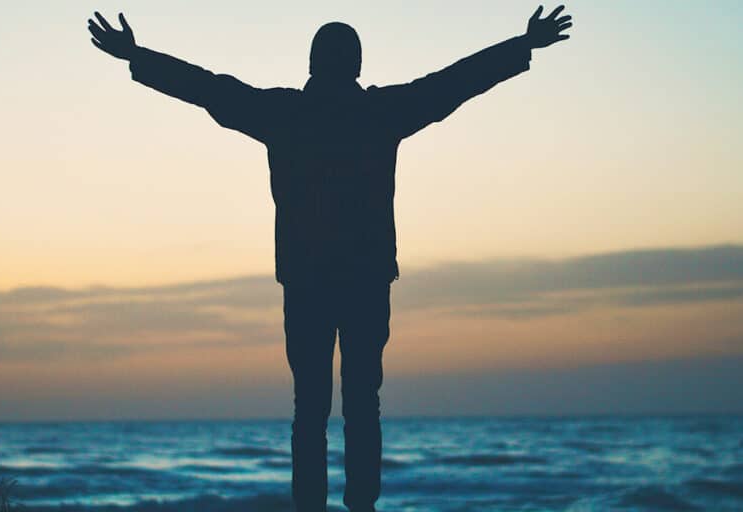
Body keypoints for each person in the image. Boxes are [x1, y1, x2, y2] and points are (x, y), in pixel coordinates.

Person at [87, 6, 571, 511]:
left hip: (309, 281)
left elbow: (208, 88)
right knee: (362, 405)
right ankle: (361, 506)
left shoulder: (285, 113)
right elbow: (454, 83)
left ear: (313, 64)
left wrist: (137, 57)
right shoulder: (381, 112)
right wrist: (522, 45)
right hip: (362, 280)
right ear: (357, 66)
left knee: (311, 409)